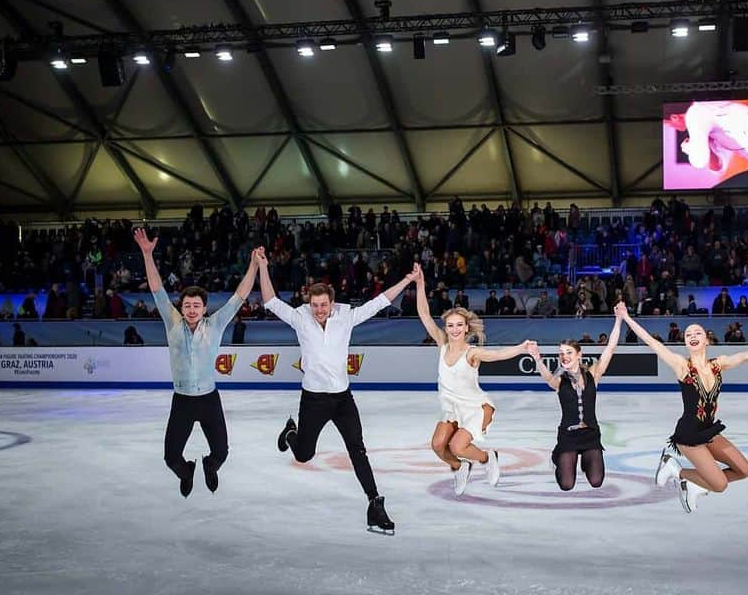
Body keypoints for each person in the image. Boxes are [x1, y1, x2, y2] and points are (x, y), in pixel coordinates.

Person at [258, 249, 412, 535]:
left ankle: (374, 504)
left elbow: (380, 302)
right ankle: (291, 433)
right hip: (314, 399)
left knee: (358, 449)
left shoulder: (346, 317)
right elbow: (269, 300)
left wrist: (407, 279)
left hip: (343, 399)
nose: (319, 310)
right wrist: (262, 266)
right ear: (309, 303)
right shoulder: (300, 318)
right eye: (315, 305)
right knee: (303, 455)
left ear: (331, 303)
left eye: (324, 305)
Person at [619, 303, 748, 512]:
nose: (693, 335)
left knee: (744, 470)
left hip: (709, 430)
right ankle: (676, 470)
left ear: (707, 339)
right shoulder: (682, 365)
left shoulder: (718, 364)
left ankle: (694, 485)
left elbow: (747, 356)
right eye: (688, 334)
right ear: (686, 341)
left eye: (698, 332)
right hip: (689, 435)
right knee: (720, 485)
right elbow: (652, 342)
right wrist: (627, 317)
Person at [135, 227, 259, 498]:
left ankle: (209, 466)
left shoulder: (215, 325)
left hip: (208, 400)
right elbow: (157, 290)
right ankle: (187, 470)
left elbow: (239, 297)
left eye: (196, 306)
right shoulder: (173, 323)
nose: (191, 310)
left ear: (204, 308)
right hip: (182, 401)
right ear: (182, 308)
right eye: (187, 305)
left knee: (222, 453)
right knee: (170, 457)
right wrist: (147, 255)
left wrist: (253, 266)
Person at [412, 264, 531, 496]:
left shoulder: (472, 352)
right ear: (445, 328)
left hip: (474, 407)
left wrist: (521, 348)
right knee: (438, 445)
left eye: (459, 325)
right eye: (450, 325)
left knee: (458, 446)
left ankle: (488, 458)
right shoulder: (442, 343)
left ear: (466, 327)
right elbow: (424, 314)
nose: (454, 329)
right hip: (451, 408)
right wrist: (420, 283)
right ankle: (460, 466)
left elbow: (497, 355)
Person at [528, 310, 623, 491]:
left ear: (579, 354)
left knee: (596, 481)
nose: (565, 356)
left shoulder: (592, 374)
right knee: (566, 485)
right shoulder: (559, 380)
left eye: (569, 352)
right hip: (568, 436)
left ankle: (586, 462)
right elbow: (548, 378)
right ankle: (559, 456)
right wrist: (537, 359)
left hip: (590, 435)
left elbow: (610, 348)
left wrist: (618, 320)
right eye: (562, 353)